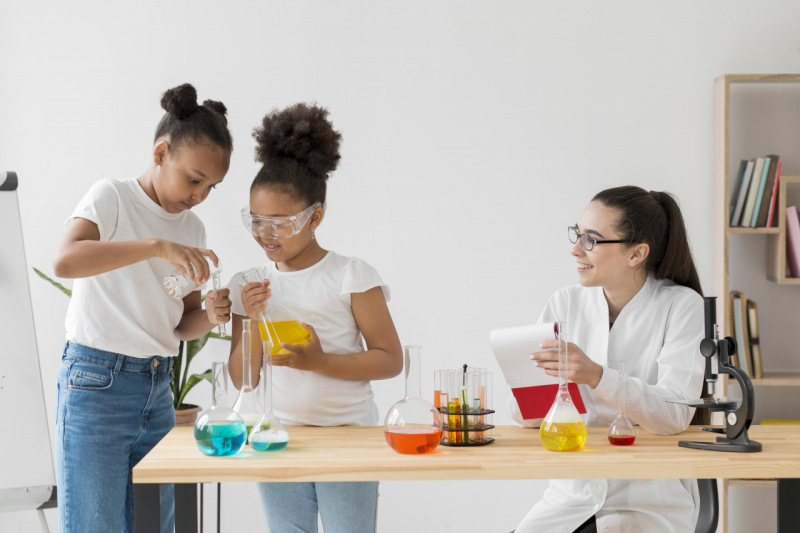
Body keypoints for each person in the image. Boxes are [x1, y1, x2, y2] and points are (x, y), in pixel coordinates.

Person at [52, 83, 233, 533]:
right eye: (195, 179)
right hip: (97, 384)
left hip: (157, 391)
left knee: (156, 525)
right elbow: (66, 260)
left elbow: (180, 324)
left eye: (212, 186)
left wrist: (210, 315)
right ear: (160, 153)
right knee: (97, 524)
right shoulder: (112, 196)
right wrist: (155, 246)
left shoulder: (193, 228)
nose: (201, 195)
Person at [228, 102, 403, 533]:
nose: (264, 234)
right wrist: (249, 319)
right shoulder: (248, 284)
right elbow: (243, 379)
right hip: (277, 436)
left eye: (280, 223)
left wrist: (318, 362)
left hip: (348, 436)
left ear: (315, 217)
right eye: (255, 221)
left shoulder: (350, 275)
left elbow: (390, 359)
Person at [510, 186, 706, 533]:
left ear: (637, 254)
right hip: (569, 499)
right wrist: (525, 392)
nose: (575, 250)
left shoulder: (681, 306)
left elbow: (674, 414)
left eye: (591, 240)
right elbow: (527, 417)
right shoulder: (564, 303)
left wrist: (597, 376)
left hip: (646, 504)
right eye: (577, 234)